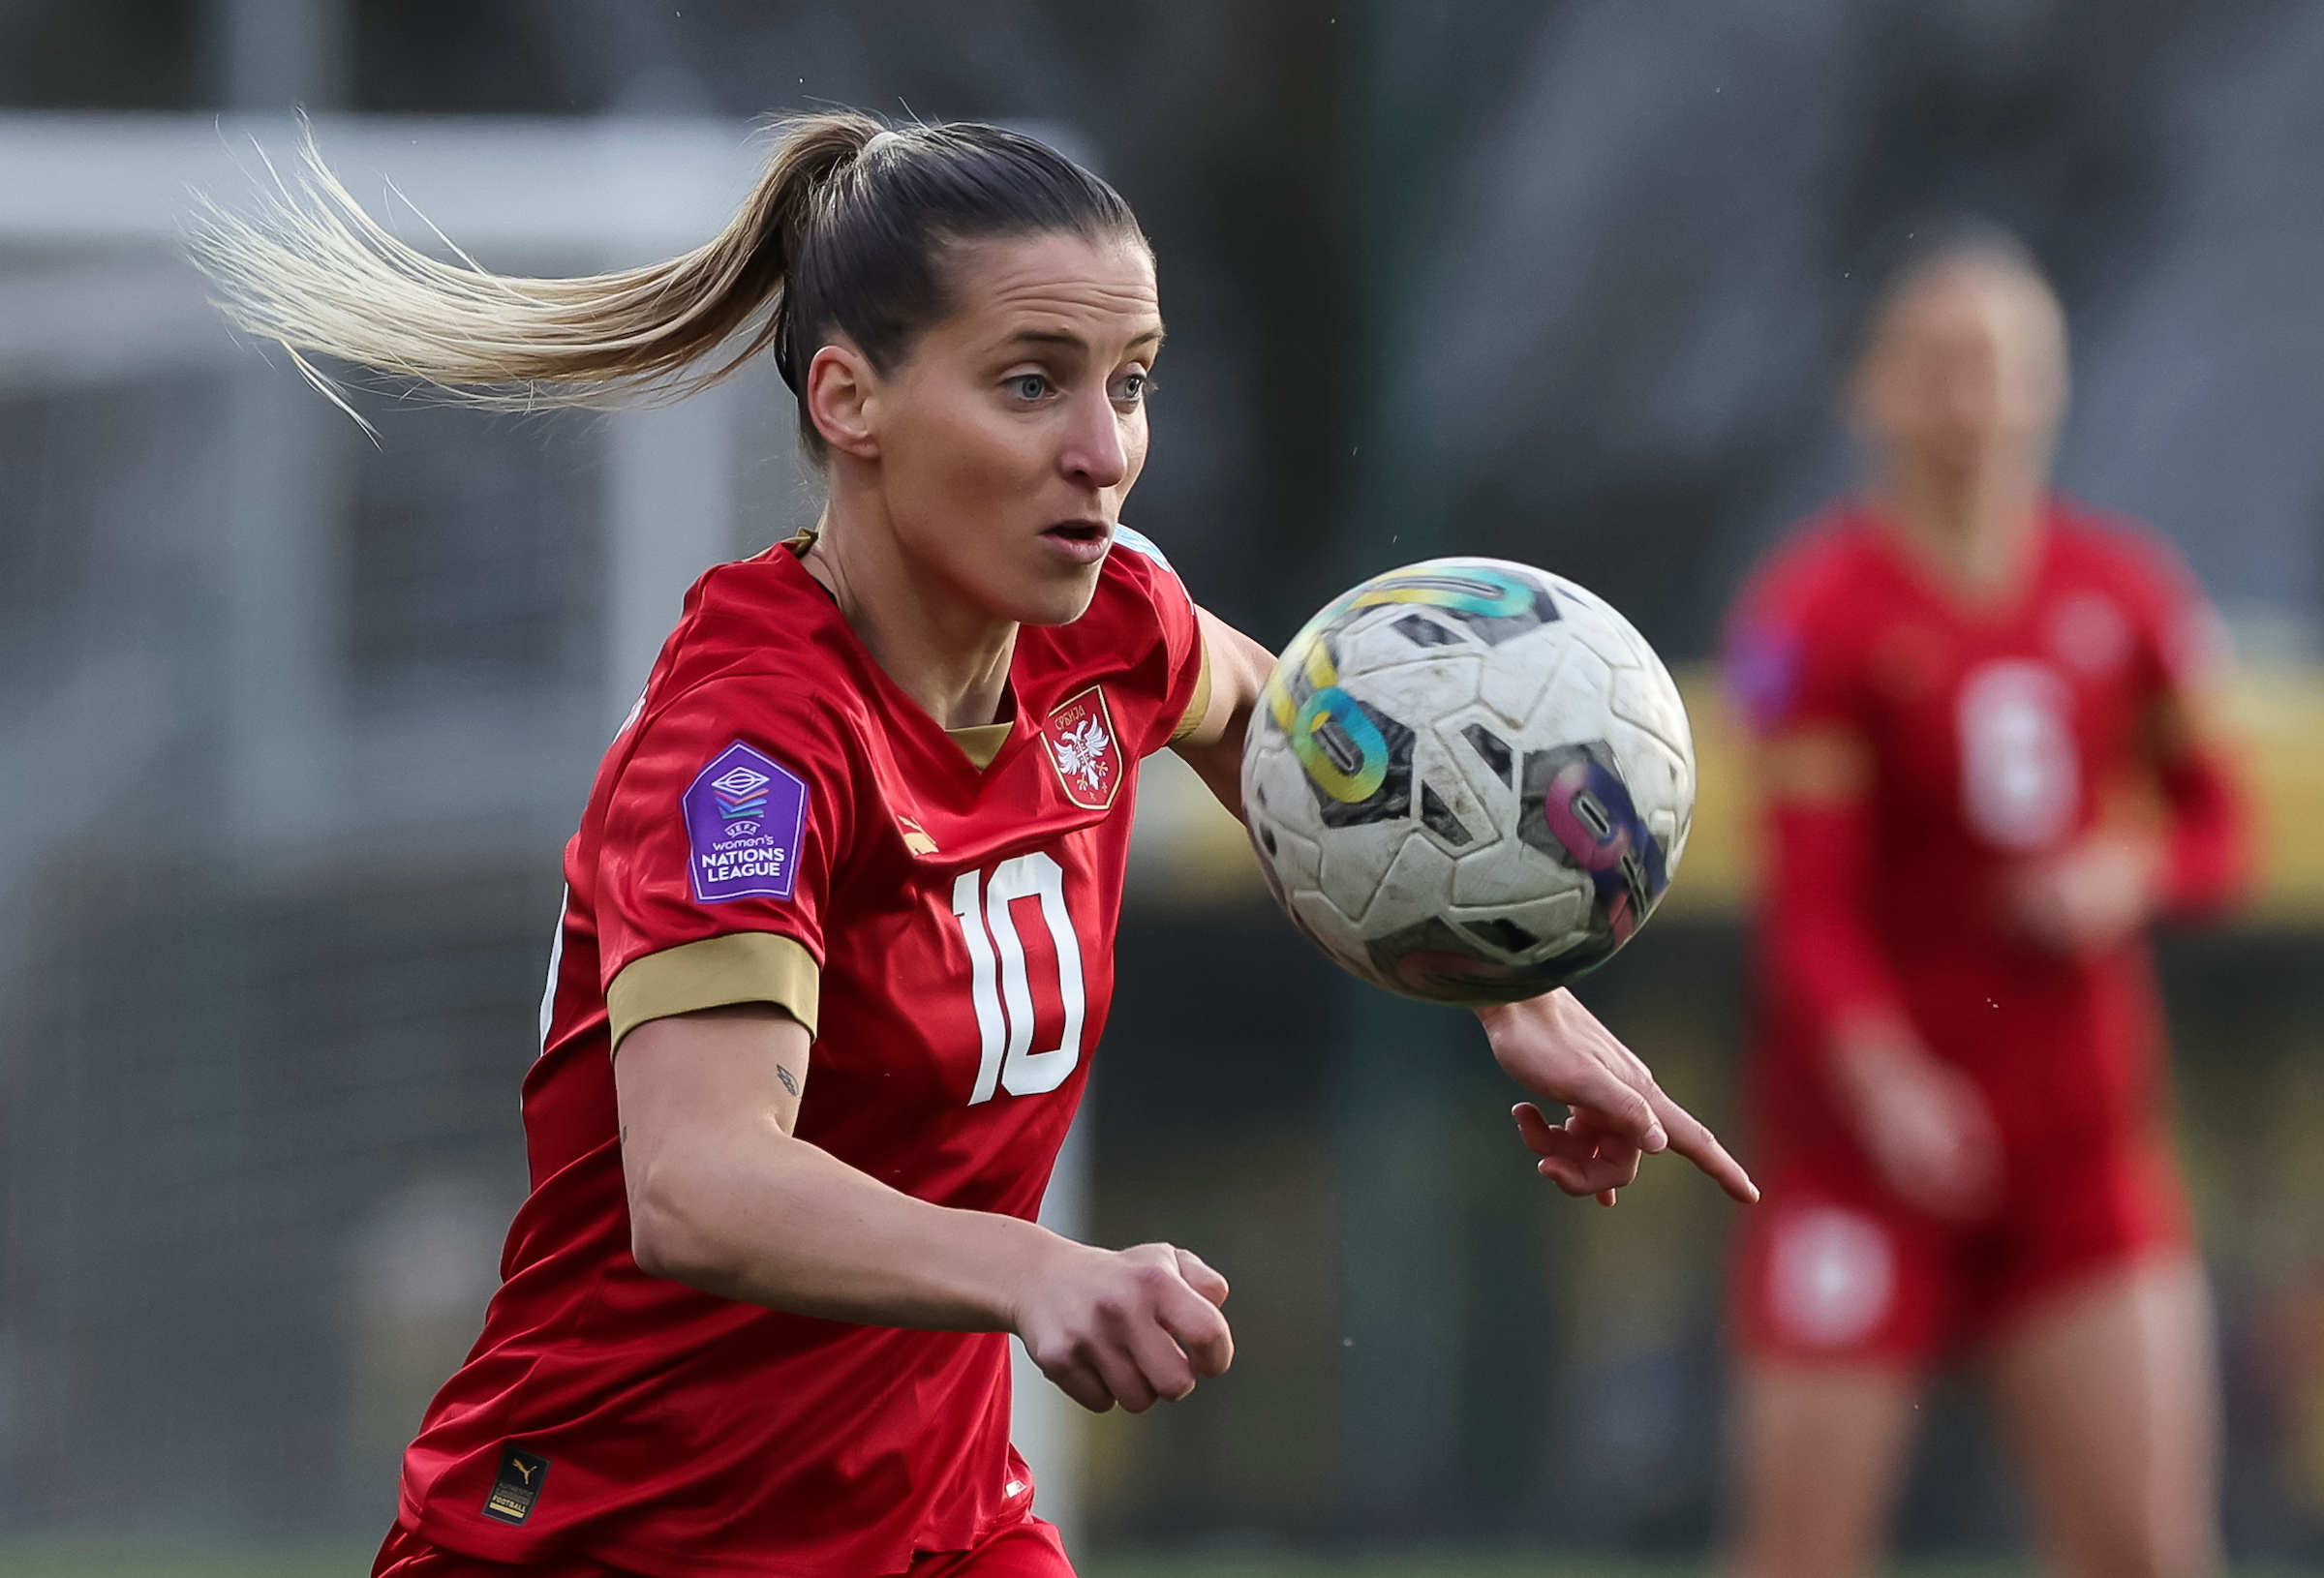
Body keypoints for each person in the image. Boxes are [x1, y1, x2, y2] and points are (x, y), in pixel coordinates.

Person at [198, 111, 1755, 1578]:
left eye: (1131, 381)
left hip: (935, 1524)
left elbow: (1306, 739)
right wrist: (1035, 1272)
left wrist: (1509, 985)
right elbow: (701, 1182)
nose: (1105, 448)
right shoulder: (747, 755)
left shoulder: (1105, 628)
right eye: (1032, 382)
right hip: (612, 1528)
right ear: (846, 400)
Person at [1721, 223, 2250, 1578]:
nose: (1978, 398)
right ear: (1877, 391)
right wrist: (1890, 1078)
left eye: (2007, 366)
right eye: (1944, 364)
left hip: (2076, 1141)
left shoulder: (2125, 592)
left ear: (2050, 386)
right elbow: (1811, 907)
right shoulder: (1815, 613)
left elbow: (2219, 826)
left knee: (2144, 1543)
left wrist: (2130, 869)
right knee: (1801, 1551)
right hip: (1863, 1156)